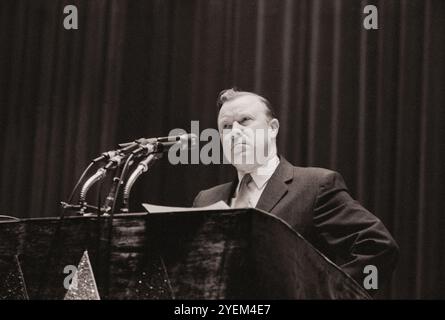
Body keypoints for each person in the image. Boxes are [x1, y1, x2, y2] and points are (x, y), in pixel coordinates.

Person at [193, 88, 399, 293]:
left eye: (245, 120)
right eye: (226, 127)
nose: (235, 132)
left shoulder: (315, 187)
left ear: (272, 128)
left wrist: (331, 295)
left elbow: (378, 247)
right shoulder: (206, 200)